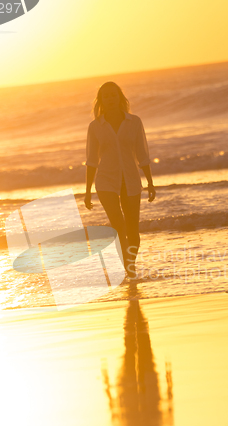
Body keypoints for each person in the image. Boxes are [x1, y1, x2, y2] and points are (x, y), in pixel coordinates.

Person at [84, 81, 156, 279]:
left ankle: (129, 265)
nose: (110, 99)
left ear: (120, 98)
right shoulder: (95, 127)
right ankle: (127, 267)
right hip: (106, 180)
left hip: (131, 180)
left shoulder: (134, 122)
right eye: (106, 96)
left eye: (113, 95)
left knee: (133, 229)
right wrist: (88, 190)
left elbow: (143, 154)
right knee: (118, 224)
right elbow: (91, 161)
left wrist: (150, 183)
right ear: (101, 101)